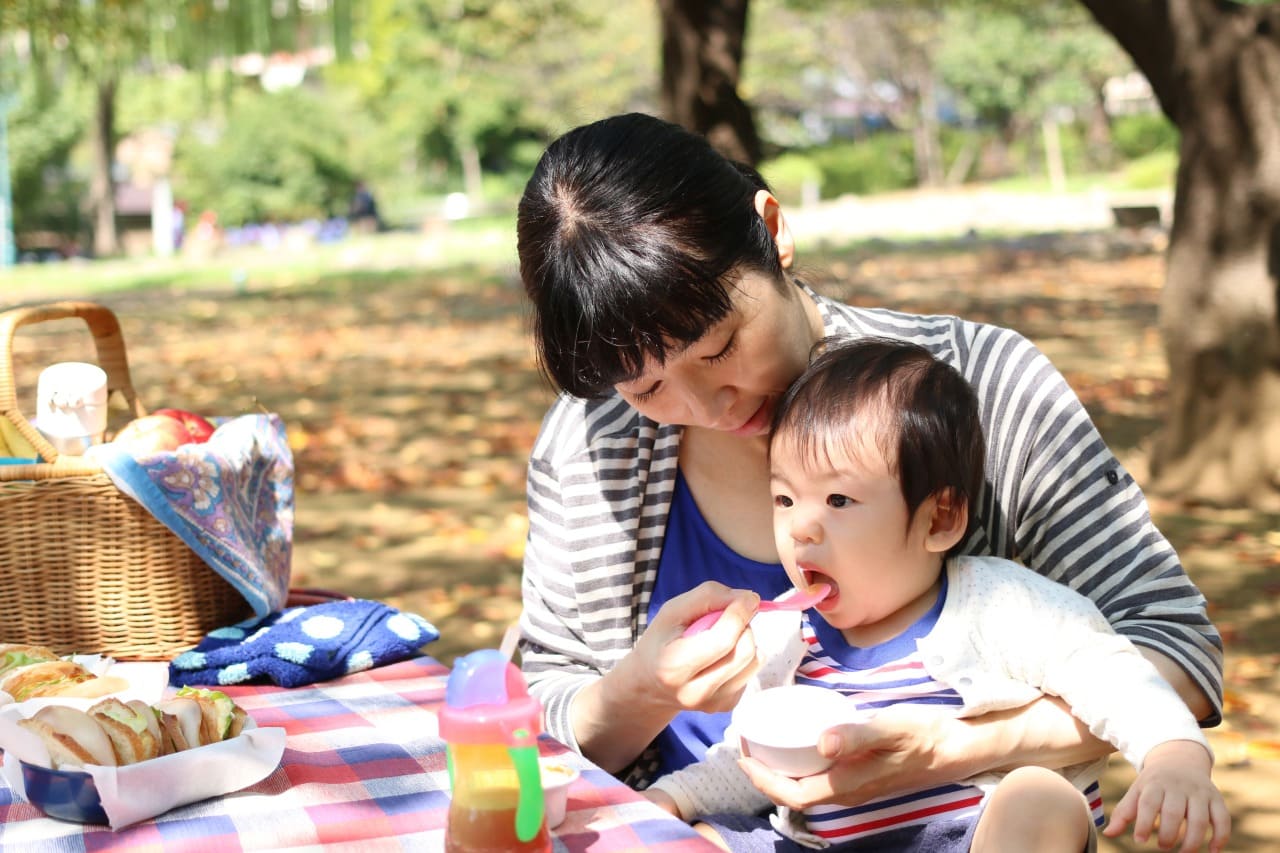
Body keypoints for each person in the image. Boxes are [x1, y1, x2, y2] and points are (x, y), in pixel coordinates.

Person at [514, 112, 1222, 810]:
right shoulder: (588, 444)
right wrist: (639, 691)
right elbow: (535, 726)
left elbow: (1177, 652)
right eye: (647, 386)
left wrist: (950, 747)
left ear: (773, 229)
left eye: (718, 347)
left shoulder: (981, 386)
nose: (708, 406)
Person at [640, 337, 1230, 852]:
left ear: (939, 518)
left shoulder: (996, 605)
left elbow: (1112, 675)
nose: (800, 529)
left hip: (967, 835)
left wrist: (1173, 753)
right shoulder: (786, 641)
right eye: (785, 500)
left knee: (1038, 799)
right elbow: (751, 758)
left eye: (838, 501)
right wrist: (670, 801)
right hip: (816, 843)